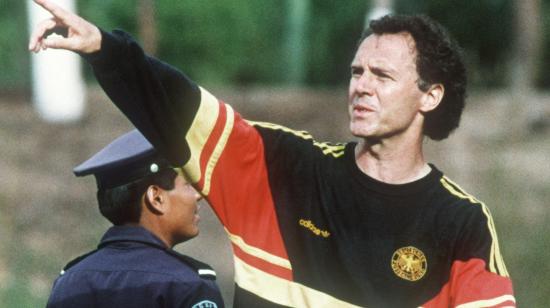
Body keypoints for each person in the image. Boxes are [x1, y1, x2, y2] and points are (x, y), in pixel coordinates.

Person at [30, 0, 515, 306]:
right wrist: (104, 49)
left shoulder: (462, 222)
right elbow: (181, 111)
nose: (361, 87)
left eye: (382, 76)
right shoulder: (283, 166)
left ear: (430, 96)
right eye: (355, 72)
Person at [45, 129, 224, 308]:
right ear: (156, 198)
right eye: (188, 185)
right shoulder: (186, 284)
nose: (198, 195)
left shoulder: (68, 282)